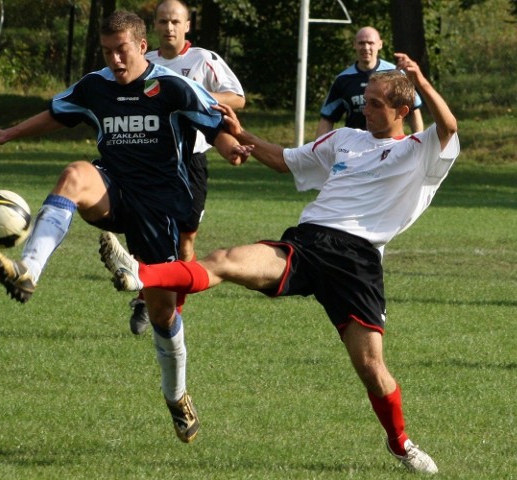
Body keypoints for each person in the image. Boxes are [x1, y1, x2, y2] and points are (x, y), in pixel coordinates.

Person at [99, 53, 459, 474]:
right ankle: (138, 273)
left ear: (401, 111)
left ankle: (401, 444)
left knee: (371, 368)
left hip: (357, 261)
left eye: (377, 103)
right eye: (366, 99)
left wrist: (421, 81)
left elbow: (448, 126)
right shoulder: (344, 139)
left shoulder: (421, 151)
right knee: (225, 260)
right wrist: (241, 133)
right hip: (307, 243)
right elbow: (287, 160)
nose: (366, 108)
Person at [0, 11, 252, 444]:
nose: (114, 59)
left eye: (121, 50)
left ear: (141, 47)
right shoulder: (96, 85)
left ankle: (177, 394)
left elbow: (214, 123)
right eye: (107, 51)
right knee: (74, 173)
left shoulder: (173, 86)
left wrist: (231, 146)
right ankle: (28, 270)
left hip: (159, 208)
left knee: (163, 317)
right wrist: (10, 133)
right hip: (112, 189)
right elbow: (57, 111)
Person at [116, 0, 246, 336]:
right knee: (144, 232)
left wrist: (190, 93)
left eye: (175, 21)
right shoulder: (145, 62)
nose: (169, 27)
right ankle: (146, 298)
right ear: (154, 26)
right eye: (162, 21)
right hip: (150, 159)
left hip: (191, 160)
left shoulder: (203, 60)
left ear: (187, 25)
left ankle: (174, 307)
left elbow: (237, 97)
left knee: (186, 238)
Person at [315, 26, 424, 139]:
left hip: (390, 146)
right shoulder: (343, 79)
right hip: (355, 148)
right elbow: (327, 118)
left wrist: (419, 144)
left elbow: (413, 109)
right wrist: (318, 152)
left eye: (370, 43)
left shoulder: (395, 74)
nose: (366, 47)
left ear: (380, 44)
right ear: (354, 45)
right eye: (361, 43)